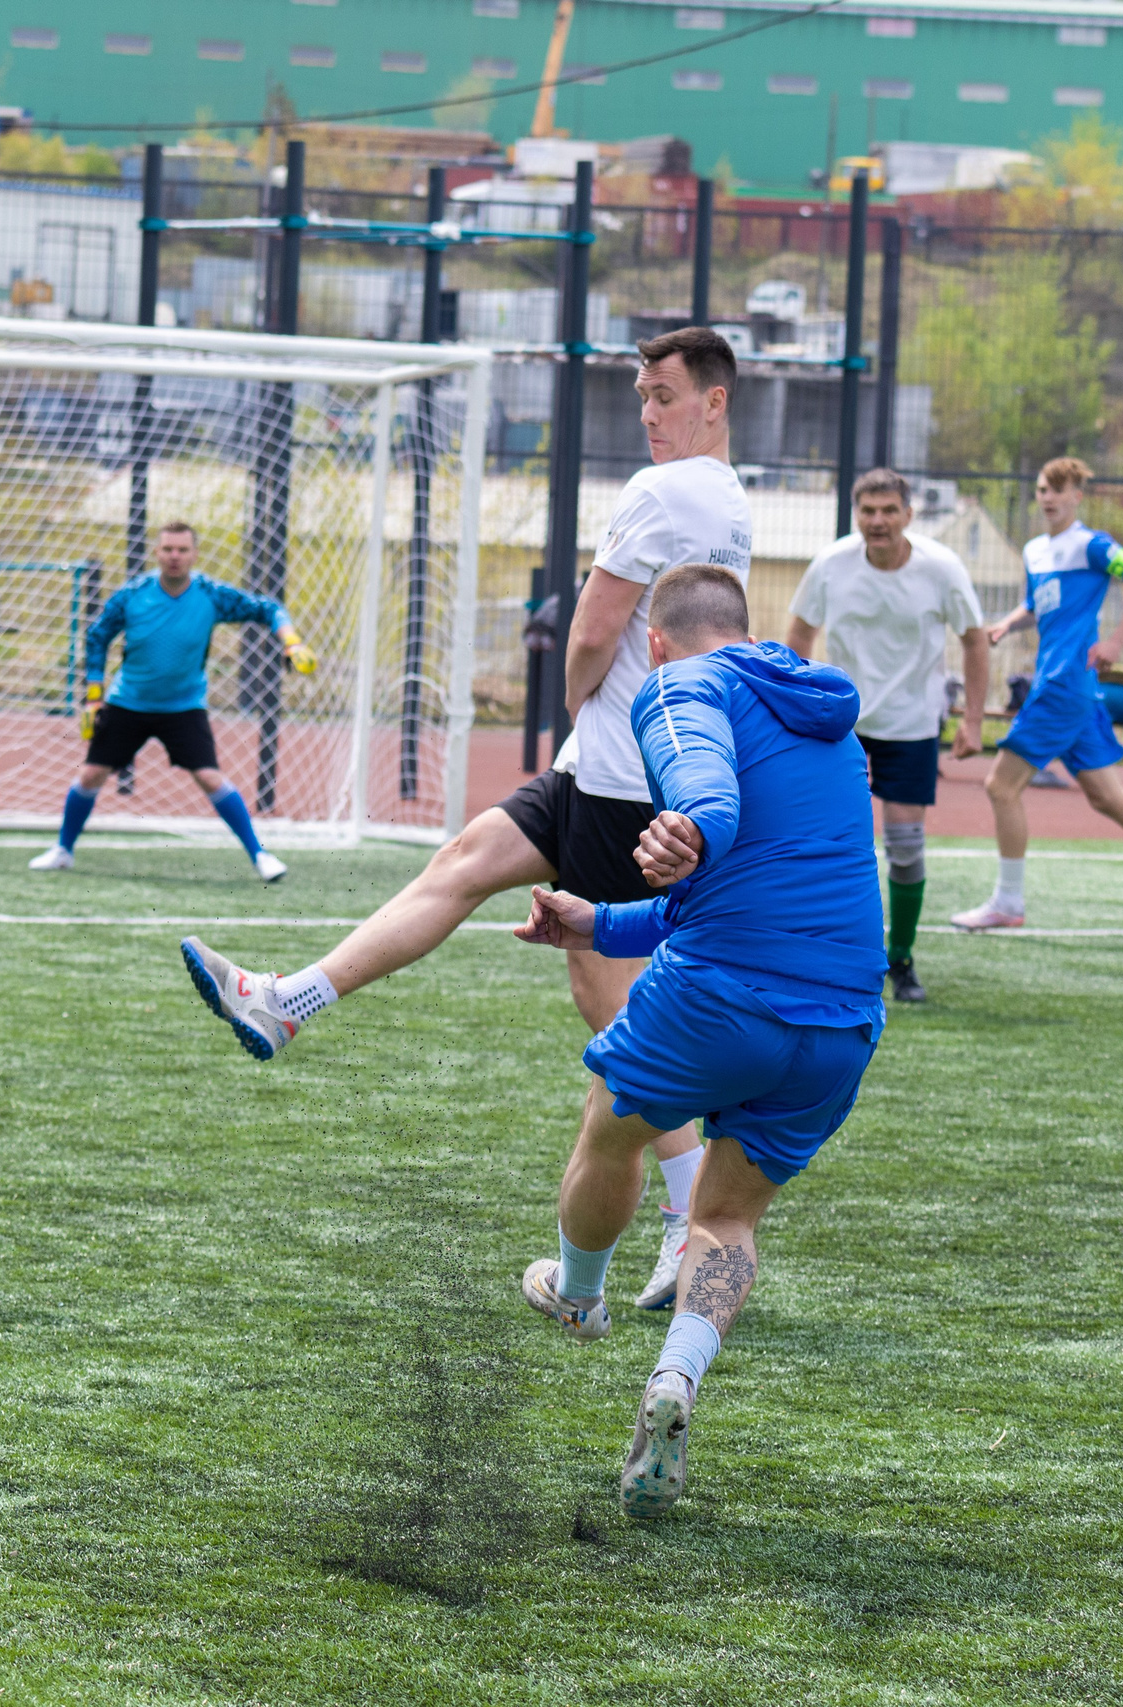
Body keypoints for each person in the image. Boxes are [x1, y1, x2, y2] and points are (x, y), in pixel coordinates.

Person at [181, 326, 751, 1312]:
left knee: (612, 1007)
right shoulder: (730, 499)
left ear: (713, 399)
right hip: (609, 769)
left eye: (662, 395)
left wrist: (581, 702)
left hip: (616, 780)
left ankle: (679, 1225)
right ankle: (286, 1004)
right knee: (464, 860)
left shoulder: (665, 491)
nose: (648, 414)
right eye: (640, 397)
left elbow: (592, 627)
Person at [507, 565, 883, 1521]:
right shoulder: (823, 722)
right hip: (839, 1022)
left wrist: (690, 827)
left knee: (611, 1125)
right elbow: (723, 889)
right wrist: (597, 922)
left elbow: (705, 805)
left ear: (656, 641)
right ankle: (675, 1378)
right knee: (728, 1216)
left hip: (722, 995)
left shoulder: (681, 683)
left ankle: (578, 1295)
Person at [949, 457, 1123, 940]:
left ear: (1077, 497)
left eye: (1057, 489)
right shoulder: (1035, 552)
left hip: (1064, 683)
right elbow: (1038, 603)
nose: (1047, 497)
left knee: (1000, 787)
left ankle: (1008, 902)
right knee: (1106, 795)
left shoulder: (1092, 545)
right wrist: (1009, 623)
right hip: (1075, 689)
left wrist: (1116, 642)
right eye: (1042, 489)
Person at [786, 469, 990, 1004]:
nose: (878, 521)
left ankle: (900, 961)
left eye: (888, 511)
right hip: (840, 722)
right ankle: (823, 955)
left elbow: (974, 640)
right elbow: (800, 634)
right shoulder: (831, 564)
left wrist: (971, 720)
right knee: (822, 843)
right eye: (868, 511)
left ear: (908, 515)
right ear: (856, 514)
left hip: (911, 725)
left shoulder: (941, 568)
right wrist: (797, 704)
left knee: (904, 848)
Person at [28, 521, 317, 882]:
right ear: (157, 553)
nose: (174, 557)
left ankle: (260, 855)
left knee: (211, 778)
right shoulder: (133, 594)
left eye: (182, 550)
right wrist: (93, 697)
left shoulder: (211, 595)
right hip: (128, 703)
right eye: (167, 549)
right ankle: (62, 851)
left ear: (194, 554)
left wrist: (291, 641)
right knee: (91, 774)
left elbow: (269, 608)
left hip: (183, 707)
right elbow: (97, 635)